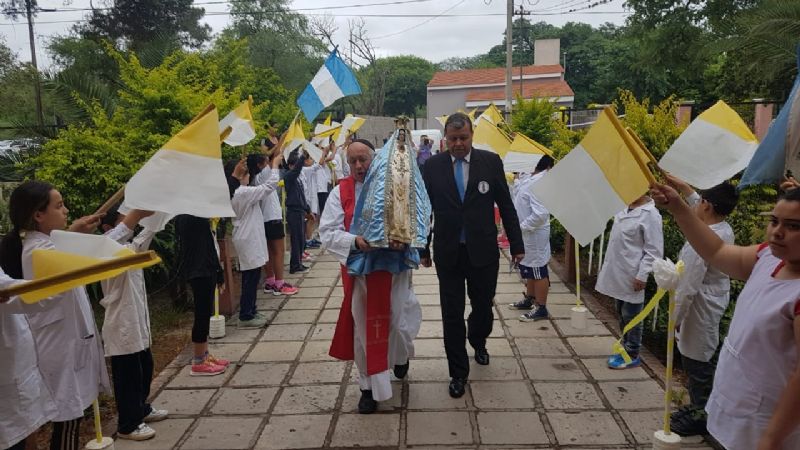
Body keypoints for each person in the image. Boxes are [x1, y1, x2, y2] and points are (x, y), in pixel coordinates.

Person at [650, 182, 800, 450]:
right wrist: (678, 208)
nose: (778, 232)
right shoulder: (768, 258)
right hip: (736, 411)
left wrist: (771, 439)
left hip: (767, 427)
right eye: (775, 221)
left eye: (793, 226)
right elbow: (717, 251)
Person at [420, 112, 524, 398]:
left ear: (471, 136)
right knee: (451, 313)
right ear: (445, 139)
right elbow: (424, 210)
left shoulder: (490, 163)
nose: (457, 144)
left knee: (482, 308)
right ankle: (457, 372)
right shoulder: (432, 167)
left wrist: (517, 244)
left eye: (463, 138)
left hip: (483, 252)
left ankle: (478, 339)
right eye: (452, 139)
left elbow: (506, 205)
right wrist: (422, 246)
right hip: (448, 252)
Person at [0, 180, 110, 449]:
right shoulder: (40, 251)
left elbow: (63, 252)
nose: (66, 210)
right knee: (68, 420)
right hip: (58, 349)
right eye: (59, 206)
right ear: (38, 215)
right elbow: (81, 262)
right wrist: (129, 223)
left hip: (65, 345)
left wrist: (74, 231)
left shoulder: (44, 245)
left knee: (69, 418)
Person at [320, 138, 424, 414]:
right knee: (364, 329)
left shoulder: (395, 186)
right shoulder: (339, 192)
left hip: (395, 269)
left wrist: (408, 239)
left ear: (374, 159)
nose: (358, 166)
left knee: (398, 321)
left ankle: (401, 355)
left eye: (363, 159)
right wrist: (356, 241)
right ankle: (368, 388)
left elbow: (420, 218)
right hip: (361, 274)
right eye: (352, 160)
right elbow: (327, 233)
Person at [661, 175, 738, 436]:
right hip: (710, 302)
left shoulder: (702, 240)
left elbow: (687, 287)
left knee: (697, 364)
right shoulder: (721, 227)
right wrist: (681, 187)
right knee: (697, 358)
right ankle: (697, 407)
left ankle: (701, 414)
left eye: (701, 200)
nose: (697, 202)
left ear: (708, 205)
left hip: (699, 308)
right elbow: (694, 204)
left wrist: (676, 317)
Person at [99, 207, 168, 441]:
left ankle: (141, 409)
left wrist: (155, 217)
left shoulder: (125, 248)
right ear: (109, 228)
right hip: (122, 325)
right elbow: (136, 245)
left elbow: (139, 242)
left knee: (144, 366)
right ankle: (128, 424)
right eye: (123, 221)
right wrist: (147, 220)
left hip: (137, 321)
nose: (128, 225)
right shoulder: (105, 250)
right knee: (128, 375)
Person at [595, 194, 664, 369]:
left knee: (632, 315)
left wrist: (642, 274)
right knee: (620, 311)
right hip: (617, 271)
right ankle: (624, 347)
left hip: (633, 273)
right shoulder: (623, 206)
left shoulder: (651, 215)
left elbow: (654, 250)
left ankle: (632, 353)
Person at [0, 270, 59, 450]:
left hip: (17, 372)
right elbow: (33, 297)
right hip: (8, 382)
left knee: (24, 431)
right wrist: (67, 280)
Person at [226, 155, 280, 328]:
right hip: (247, 238)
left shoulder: (241, 192)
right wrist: (275, 166)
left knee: (253, 275)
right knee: (250, 277)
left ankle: (251, 309)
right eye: (247, 173)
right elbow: (269, 186)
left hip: (249, 237)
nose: (250, 176)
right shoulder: (242, 193)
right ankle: (246, 315)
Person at [175, 213, 230, 376]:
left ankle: (204, 354)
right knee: (202, 314)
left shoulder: (195, 215)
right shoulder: (190, 216)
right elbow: (204, 247)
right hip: (200, 270)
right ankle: (199, 361)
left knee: (205, 313)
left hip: (205, 268)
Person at [509, 155, 555, 321]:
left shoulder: (539, 182)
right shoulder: (531, 177)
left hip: (533, 233)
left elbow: (541, 214)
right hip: (526, 233)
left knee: (538, 269)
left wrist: (521, 227)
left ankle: (541, 307)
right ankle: (530, 298)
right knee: (528, 266)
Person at [253, 141, 298, 296]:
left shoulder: (253, 177)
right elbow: (277, 153)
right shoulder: (265, 173)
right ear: (261, 164)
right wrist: (284, 139)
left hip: (262, 218)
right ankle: (279, 283)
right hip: (272, 216)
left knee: (269, 252)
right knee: (278, 251)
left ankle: (270, 281)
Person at [285, 148, 312, 274]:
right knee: (296, 239)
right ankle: (294, 265)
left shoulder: (297, 179)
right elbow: (296, 170)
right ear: (291, 165)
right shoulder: (289, 176)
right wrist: (303, 156)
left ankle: (298, 262)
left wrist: (308, 209)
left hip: (300, 210)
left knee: (301, 239)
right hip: (293, 211)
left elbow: (301, 195)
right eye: (296, 165)